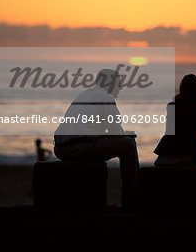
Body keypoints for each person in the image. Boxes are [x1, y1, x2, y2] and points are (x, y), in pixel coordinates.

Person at [53, 68, 139, 209]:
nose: (121, 87)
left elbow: (87, 129)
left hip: (61, 149)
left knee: (115, 142)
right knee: (128, 144)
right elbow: (116, 132)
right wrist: (126, 135)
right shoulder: (106, 97)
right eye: (119, 83)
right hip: (80, 148)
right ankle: (132, 199)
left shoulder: (84, 95)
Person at [154, 74, 196, 167]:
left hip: (169, 148)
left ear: (182, 88)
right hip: (192, 150)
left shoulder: (172, 106)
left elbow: (169, 131)